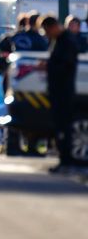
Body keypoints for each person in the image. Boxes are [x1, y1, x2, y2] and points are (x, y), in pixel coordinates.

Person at [40, 16, 81, 173]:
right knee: (60, 126)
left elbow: (66, 65)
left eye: (47, 31)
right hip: (60, 90)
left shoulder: (66, 42)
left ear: (53, 27)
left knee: (64, 126)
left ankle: (66, 159)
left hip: (64, 91)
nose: (47, 35)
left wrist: (49, 67)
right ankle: (64, 159)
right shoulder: (60, 41)